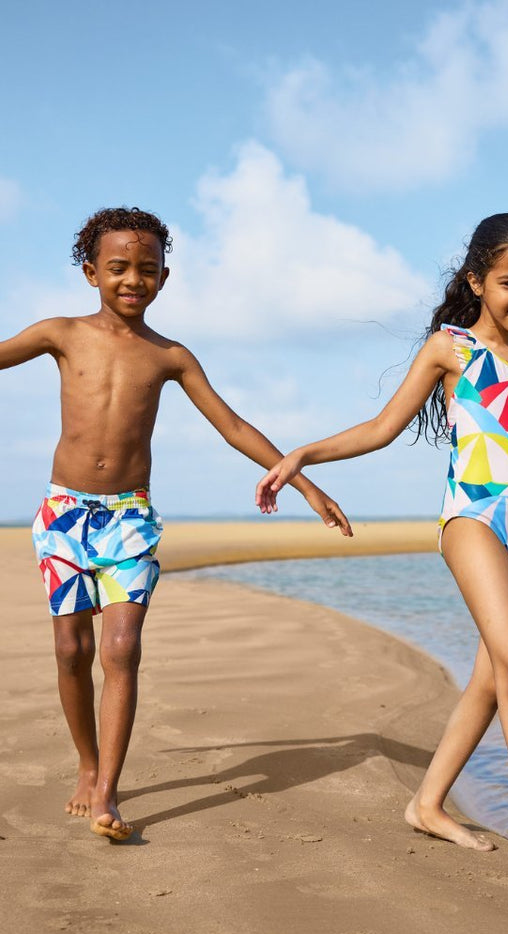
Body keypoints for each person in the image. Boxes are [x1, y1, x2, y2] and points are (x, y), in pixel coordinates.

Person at [255, 212, 508, 904]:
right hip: (470, 520)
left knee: (492, 681)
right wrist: (301, 455)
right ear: (477, 280)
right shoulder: (452, 348)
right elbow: (382, 427)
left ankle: (428, 803)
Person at [0, 206, 351, 842]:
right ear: (90, 272)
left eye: (148, 270)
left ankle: (107, 792)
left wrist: (302, 481)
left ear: (164, 276)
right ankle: (86, 763)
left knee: (122, 649)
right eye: (118, 268)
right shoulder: (60, 333)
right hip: (64, 514)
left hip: (129, 516)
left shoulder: (170, 356)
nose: (133, 280)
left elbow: (235, 426)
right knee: (71, 651)